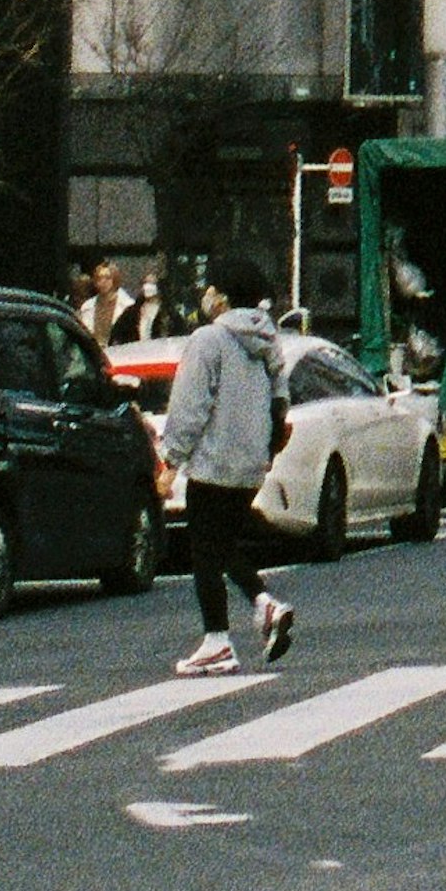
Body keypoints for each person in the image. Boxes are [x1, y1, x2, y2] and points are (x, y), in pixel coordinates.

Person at [158, 276, 295, 676]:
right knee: (219, 544)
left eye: (211, 289)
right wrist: (266, 452)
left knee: (204, 552)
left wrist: (170, 462)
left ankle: (217, 640)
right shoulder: (269, 342)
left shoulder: (208, 340)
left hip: (214, 461)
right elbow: (280, 402)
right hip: (250, 464)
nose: (206, 296)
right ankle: (263, 603)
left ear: (223, 297)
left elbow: (191, 406)